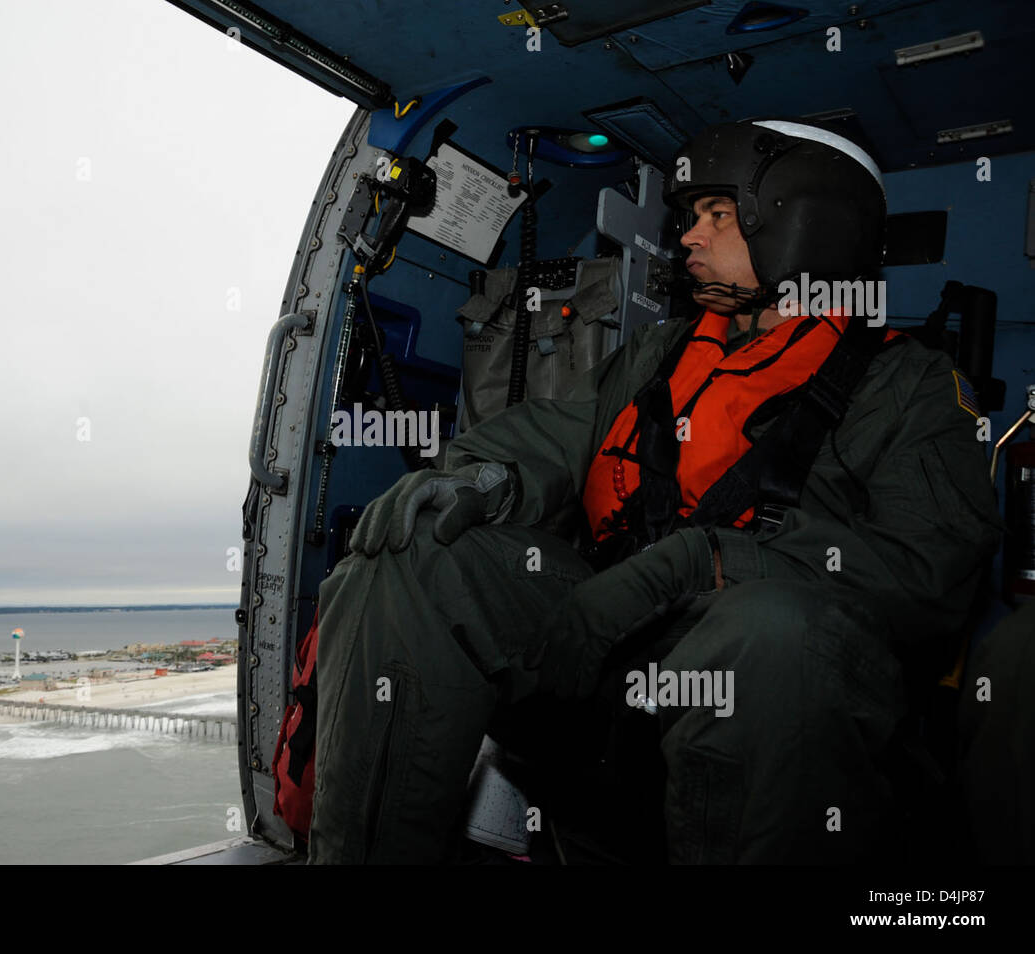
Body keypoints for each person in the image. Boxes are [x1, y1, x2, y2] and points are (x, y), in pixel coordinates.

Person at [306, 118, 1005, 864]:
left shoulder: (910, 385)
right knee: (417, 550)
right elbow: (555, 437)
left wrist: (706, 562)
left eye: (717, 215)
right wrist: (478, 476)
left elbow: (927, 577)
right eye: (687, 219)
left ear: (806, 224)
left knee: (770, 630)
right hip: (609, 654)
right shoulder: (659, 353)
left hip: (774, 683)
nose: (689, 239)